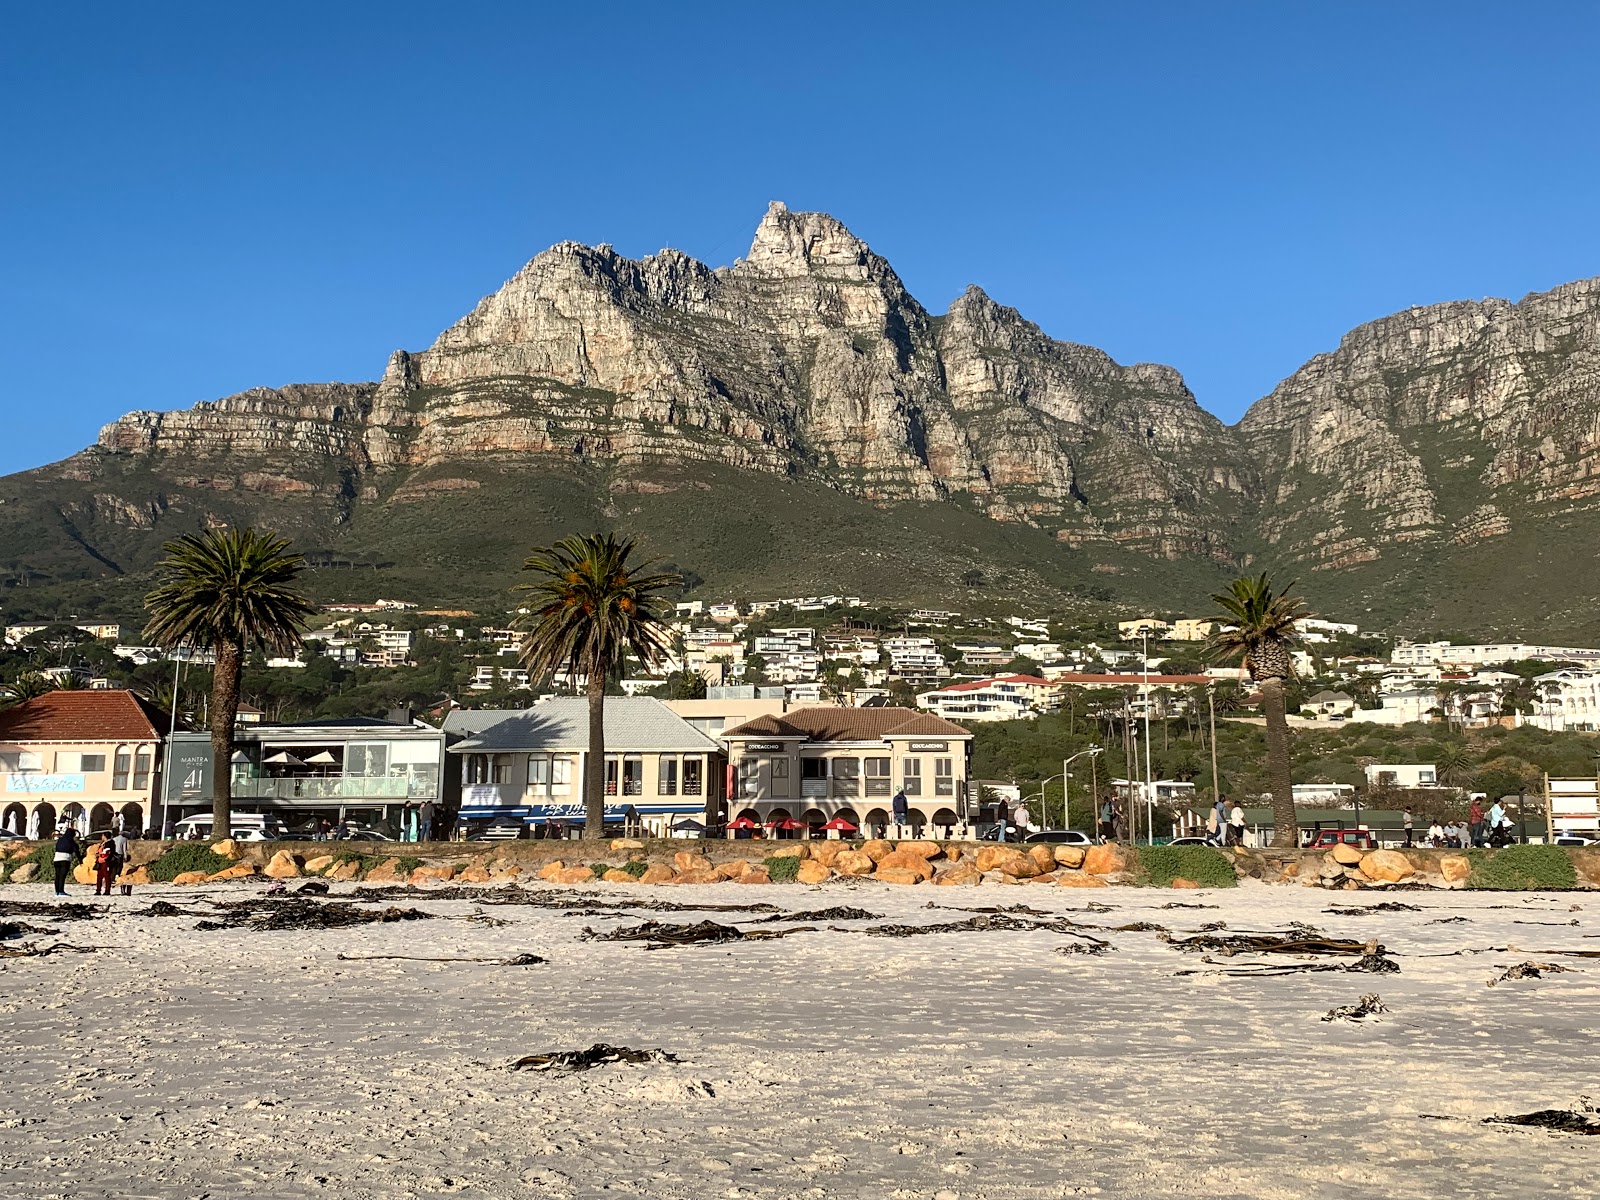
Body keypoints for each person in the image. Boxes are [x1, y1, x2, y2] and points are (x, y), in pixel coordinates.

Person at [53, 824, 79, 896]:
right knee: (62, 876)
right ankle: (61, 891)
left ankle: (57, 891)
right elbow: (76, 851)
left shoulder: (60, 840)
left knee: (57, 876)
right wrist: (80, 860)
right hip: (65, 859)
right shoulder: (71, 841)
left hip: (56, 859)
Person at [93, 831, 119, 896]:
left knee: (107, 876)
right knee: (99, 877)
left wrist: (103, 856)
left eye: (102, 836)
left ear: (105, 836)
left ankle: (107, 890)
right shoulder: (103, 843)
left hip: (106, 862)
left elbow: (108, 853)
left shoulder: (110, 843)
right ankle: (98, 890)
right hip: (100, 861)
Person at [112, 827, 134, 896]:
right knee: (120, 867)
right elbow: (124, 849)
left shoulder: (113, 839)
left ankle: (115, 877)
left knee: (114, 867)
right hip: (120, 855)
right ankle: (118, 876)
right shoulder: (124, 839)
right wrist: (125, 856)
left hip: (114, 855)